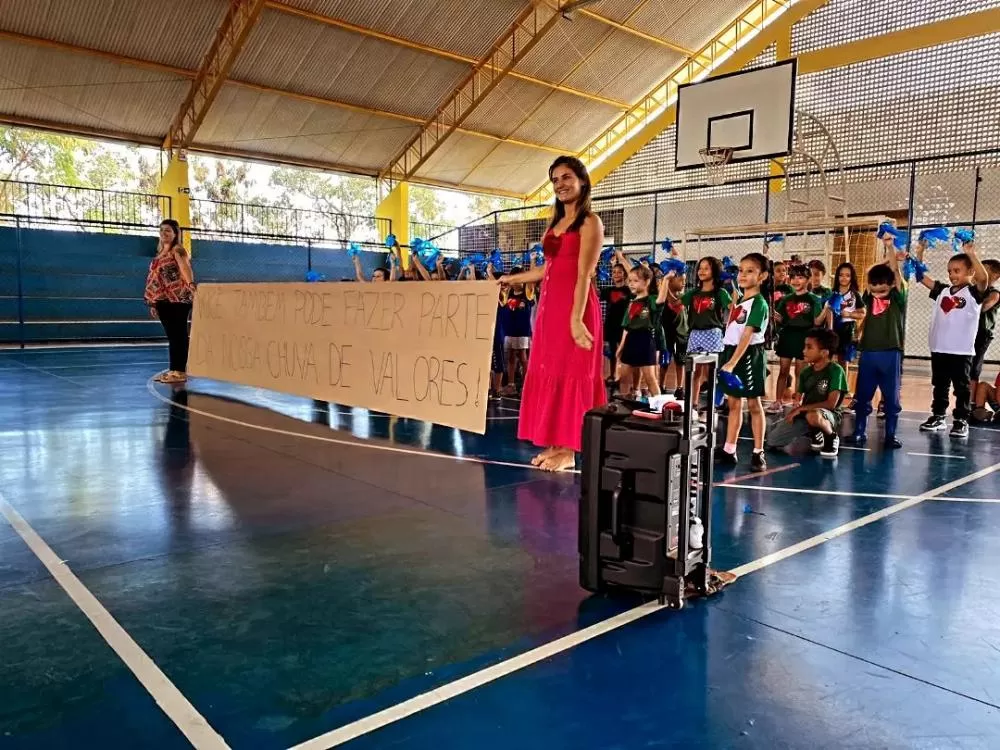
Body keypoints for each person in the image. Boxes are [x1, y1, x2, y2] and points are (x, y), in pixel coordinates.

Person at [500, 156, 606, 472]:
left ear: (582, 181)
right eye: (555, 179)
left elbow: (584, 273)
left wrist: (575, 319)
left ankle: (570, 449)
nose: (560, 184)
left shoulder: (591, 222)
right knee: (551, 369)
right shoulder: (556, 223)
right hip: (549, 311)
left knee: (573, 372)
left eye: (566, 177)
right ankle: (556, 443)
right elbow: (549, 268)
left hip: (576, 309)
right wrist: (511, 278)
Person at [913, 238, 989, 438]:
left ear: (969, 272)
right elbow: (921, 277)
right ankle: (938, 416)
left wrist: (972, 254)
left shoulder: (973, 293)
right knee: (940, 385)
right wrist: (920, 251)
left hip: (961, 350)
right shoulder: (942, 291)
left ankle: (961, 419)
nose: (952, 275)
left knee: (961, 388)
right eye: (950, 271)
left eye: (957, 270)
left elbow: (983, 280)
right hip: (939, 348)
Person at [847, 238, 904, 448]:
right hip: (869, 353)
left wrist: (890, 248)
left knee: (891, 398)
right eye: (874, 289)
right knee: (862, 395)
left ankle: (890, 435)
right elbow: (872, 272)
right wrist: (883, 258)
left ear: (891, 285)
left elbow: (896, 273)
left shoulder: (898, 297)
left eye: (883, 289)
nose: (878, 293)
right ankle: (859, 431)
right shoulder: (868, 298)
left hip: (891, 353)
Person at [717, 253, 770, 471]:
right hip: (730, 352)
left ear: (763, 276)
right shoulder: (742, 300)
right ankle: (729, 449)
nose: (743, 274)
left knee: (753, 403)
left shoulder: (759, 303)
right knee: (733, 403)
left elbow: (747, 335)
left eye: (750, 271)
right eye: (741, 270)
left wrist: (731, 364)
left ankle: (758, 452)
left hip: (748, 356)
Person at [766, 327, 848, 458]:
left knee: (813, 415)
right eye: (804, 346)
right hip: (806, 414)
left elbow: (831, 404)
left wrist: (801, 409)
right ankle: (814, 431)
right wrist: (797, 404)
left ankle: (831, 437)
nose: (804, 351)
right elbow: (798, 396)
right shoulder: (806, 372)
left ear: (824, 353)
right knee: (772, 440)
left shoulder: (835, 370)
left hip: (828, 414)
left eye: (809, 347)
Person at [769, 264, 825, 412]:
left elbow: (817, 321)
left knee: (800, 371)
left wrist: (827, 309)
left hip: (805, 338)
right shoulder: (786, 298)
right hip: (787, 336)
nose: (796, 281)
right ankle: (778, 401)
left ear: (807, 279)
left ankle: (797, 401)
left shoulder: (814, 299)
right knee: (783, 370)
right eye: (793, 277)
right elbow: (781, 318)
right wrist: (771, 311)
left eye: (800, 277)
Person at [145, 219, 195, 384]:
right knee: (172, 336)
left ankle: (180, 371)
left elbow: (185, 269)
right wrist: (153, 302)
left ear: (175, 234)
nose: (164, 233)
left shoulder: (177, 250)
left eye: (168, 230)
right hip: (162, 300)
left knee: (178, 335)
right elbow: (155, 279)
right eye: (161, 230)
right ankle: (173, 369)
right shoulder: (160, 254)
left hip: (178, 299)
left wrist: (190, 284)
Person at [682, 256, 730, 410]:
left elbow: (733, 307)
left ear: (714, 272)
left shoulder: (720, 292)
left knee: (712, 371)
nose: (701, 271)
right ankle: (693, 404)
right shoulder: (693, 293)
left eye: (706, 268)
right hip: (695, 333)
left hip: (713, 333)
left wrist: (734, 287)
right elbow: (676, 303)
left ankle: (714, 403)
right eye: (700, 268)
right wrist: (667, 282)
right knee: (694, 371)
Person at [616, 264, 670, 399]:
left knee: (650, 377)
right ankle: (624, 402)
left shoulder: (651, 300)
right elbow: (626, 327)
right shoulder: (631, 302)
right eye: (630, 281)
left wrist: (667, 280)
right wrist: (621, 347)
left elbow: (661, 299)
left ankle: (658, 405)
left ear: (646, 282)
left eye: (635, 281)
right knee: (623, 376)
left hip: (646, 340)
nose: (631, 284)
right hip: (631, 340)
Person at [970, 258, 1000, 395]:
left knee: (974, 366)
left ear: (995, 276)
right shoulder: (970, 290)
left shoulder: (994, 294)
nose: (979, 273)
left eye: (984, 270)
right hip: (968, 332)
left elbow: (982, 307)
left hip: (982, 333)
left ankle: (970, 402)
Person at [601, 261, 631, 388]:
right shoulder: (609, 290)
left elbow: (632, 276)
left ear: (624, 274)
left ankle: (620, 376)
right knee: (612, 352)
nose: (616, 274)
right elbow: (596, 292)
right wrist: (592, 276)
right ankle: (612, 374)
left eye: (619, 272)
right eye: (614, 272)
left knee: (621, 351)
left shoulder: (628, 290)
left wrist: (621, 258)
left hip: (622, 324)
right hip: (611, 323)